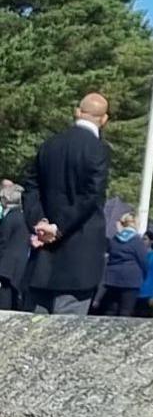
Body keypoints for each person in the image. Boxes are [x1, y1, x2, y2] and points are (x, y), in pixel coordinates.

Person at [20, 94, 112, 315]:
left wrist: (39, 221)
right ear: (104, 119)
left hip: (43, 258)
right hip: (79, 259)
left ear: (77, 112)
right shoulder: (99, 150)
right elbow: (91, 195)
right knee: (66, 334)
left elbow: (31, 187)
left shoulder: (49, 145)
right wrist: (57, 227)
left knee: (34, 333)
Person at [95, 213, 149, 317]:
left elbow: (109, 257)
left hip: (112, 278)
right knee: (126, 311)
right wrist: (143, 276)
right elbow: (143, 261)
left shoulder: (115, 239)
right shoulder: (137, 241)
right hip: (131, 280)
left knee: (110, 310)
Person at [0, 181, 28, 312]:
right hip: (21, 264)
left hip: (7, 265)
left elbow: (2, 241)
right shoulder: (25, 217)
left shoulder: (10, 218)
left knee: (4, 302)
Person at [133, 232, 153, 318]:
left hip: (146, 294)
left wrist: (152, 295)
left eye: (145, 239)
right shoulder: (139, 255)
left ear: (151, 241)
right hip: (135, 292)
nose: (142, 241)